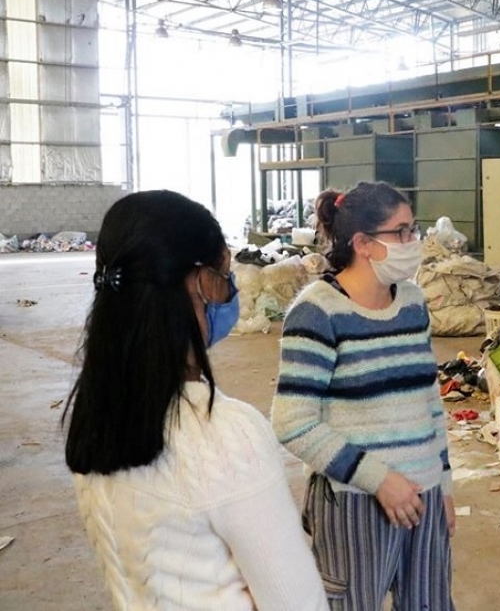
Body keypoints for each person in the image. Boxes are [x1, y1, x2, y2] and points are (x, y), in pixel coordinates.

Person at [62, 190, 329, 611]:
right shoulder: (224, 432)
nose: (230, 294)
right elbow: (297, 603)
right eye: (225, 276)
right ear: (199, 281)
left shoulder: (96, 416)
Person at [272, 181, 455, 610]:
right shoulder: (318, 311)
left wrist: (443, 486)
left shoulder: (412, 303)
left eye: (414, 229)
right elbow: (292, 422)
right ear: (363, 244)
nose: (414, 242)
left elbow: (430, 402)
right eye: (403, 232)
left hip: (424, 496)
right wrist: (380, 480)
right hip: (356, 502)